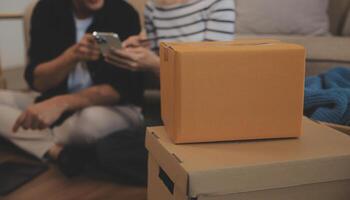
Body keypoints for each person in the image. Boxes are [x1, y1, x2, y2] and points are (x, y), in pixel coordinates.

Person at [0, 0, 144, 177]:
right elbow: (37, 82)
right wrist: (71, 56)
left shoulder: (122, 13)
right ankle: (56, 151)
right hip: (54, 103)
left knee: (89, 123)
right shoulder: (46, 9)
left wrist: (61, 103)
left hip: (111, 108)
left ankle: (36, 139)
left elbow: (119, 89)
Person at [105, 0, 236, 74]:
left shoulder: (218, 3)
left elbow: (216, 70)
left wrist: (155, 64)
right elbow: (160, 64)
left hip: (208, 96)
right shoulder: (152, 7)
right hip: (171, 97)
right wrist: (141, 48)